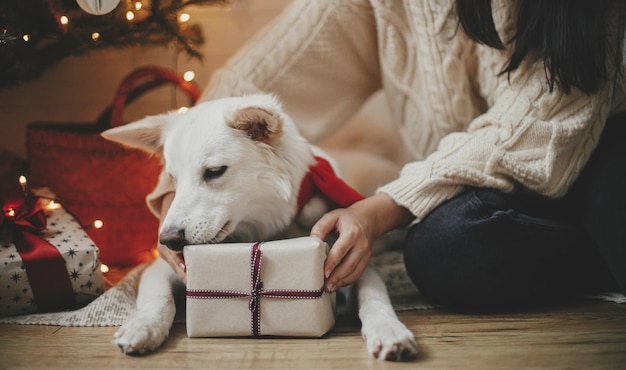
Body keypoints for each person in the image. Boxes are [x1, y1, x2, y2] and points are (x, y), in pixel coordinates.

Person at [151, 0, 626, 310]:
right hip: (480, 189)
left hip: (597, 160)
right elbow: (254, 81)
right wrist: (177, 192)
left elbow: (529, 132)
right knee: (441, 248)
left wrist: (375, 213)